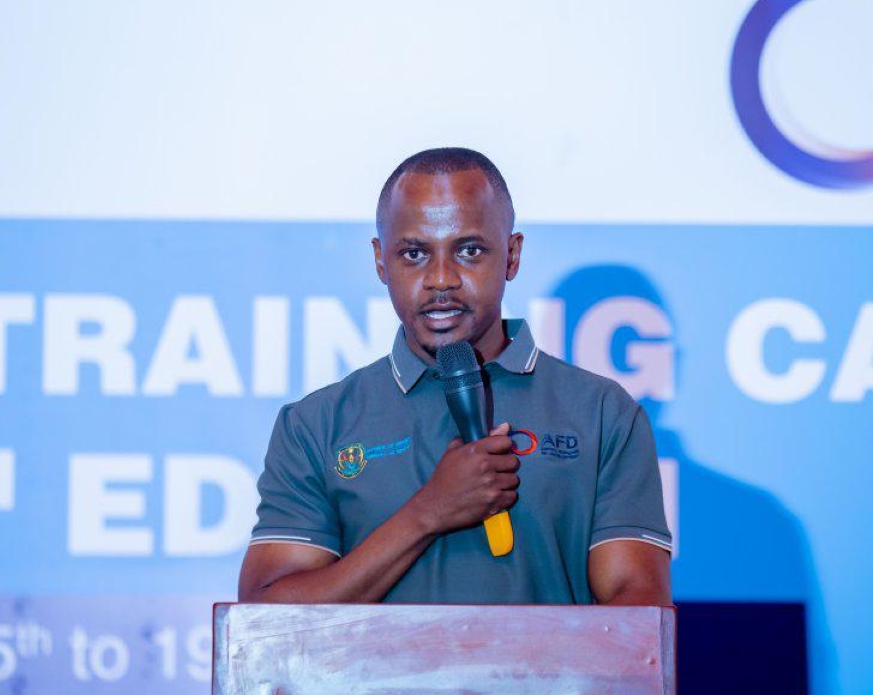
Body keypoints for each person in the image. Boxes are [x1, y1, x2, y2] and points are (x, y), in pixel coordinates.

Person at [237, 147, 671, 605]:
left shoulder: (602, 413)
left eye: (468, 250)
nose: (441, 278)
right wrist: (428, 512)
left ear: (511, 255)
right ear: (381, 261)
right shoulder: (315, 424)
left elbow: (638, 615)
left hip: (553, 681)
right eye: (414, 253)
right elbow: (267, 618)